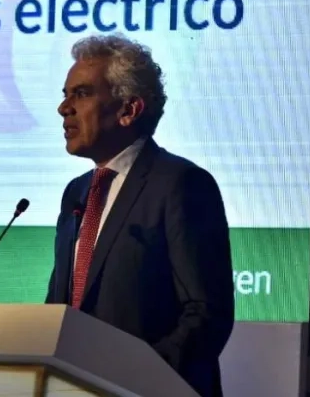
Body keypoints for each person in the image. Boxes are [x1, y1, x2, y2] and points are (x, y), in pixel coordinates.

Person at [45, 33, 235, 397]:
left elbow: (206, 314)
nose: (64, 108)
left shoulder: (181, 184)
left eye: (81, 94)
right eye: (65, 94)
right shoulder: (77, 192)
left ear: (129, 110)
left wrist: (132, 380)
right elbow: (61, 307)